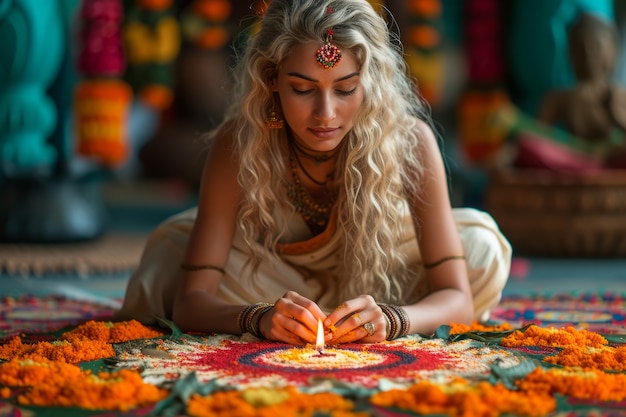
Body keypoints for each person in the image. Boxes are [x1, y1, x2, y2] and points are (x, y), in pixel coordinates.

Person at [116, 0, 512, 345]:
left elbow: (456, 297)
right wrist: (260, 317)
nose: (325, 114)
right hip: (268, 282)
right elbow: (191, 300)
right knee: (170, 258)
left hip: (380, 280)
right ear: (271, 80)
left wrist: (394, 320)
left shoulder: (410, 141)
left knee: (481, 247)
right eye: (303, 90)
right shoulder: (240, 142)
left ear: (370, 84)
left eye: (344, 90)